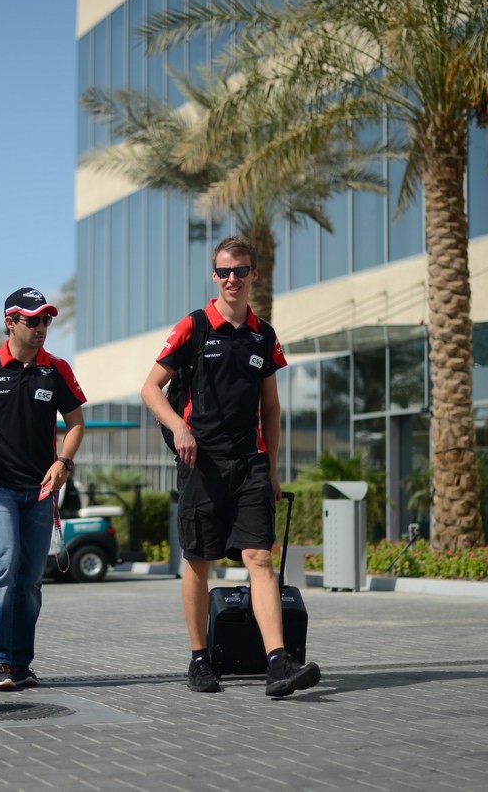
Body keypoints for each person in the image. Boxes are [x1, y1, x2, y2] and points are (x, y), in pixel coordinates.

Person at [141, 236, 320, 698]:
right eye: (223, 271)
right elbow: (150, 389)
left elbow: (272, 409)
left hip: (251, 463)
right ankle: (200, 658)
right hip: (201, 462)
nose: (231, 279)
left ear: (254, 274)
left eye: (240, 270)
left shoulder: (264, 334)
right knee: (199, 560)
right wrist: (180, 429)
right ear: (214, 275)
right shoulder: (194, 327)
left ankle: (278, 662)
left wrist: (273, 469)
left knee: (259, 557)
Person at [0, 287, 85, 691]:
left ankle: (21, 662)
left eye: (46, 319)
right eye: (32, 320)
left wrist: (64, 463)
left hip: (42, 491)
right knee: (4, 565)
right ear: (11, 322)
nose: (42, 327)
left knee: (29, 580)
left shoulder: (56, 369)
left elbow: (77, 423)